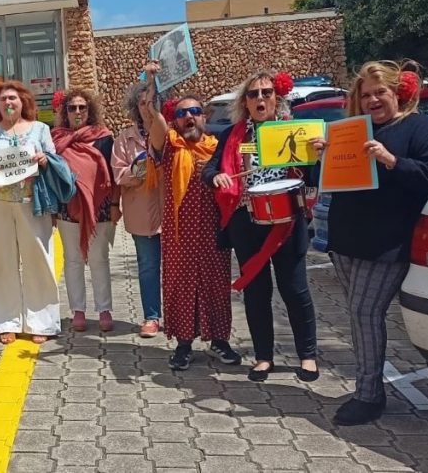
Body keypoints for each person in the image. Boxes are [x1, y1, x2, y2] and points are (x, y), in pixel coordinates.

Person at [312, 61, 428, 425]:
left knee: (363, 314)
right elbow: (323, 178)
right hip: (346, 239)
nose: (372, 100)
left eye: (379, 92)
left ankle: (369, 396)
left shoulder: (419, 128)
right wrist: (322, 155)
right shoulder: (353, 130)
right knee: (362, 316)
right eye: (365, 94)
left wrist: (392, 161)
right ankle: (369, 386)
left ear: (397, 92)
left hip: (385, 243)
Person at [204, 70, 318, 383]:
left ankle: (307, 356)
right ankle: (264, 357)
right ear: (245, 102)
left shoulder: (292, 130)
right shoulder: (233, 136)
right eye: (253, 94)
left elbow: (313, 177)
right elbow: (211, 168)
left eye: (266, 92)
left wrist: (316, 156)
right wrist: (216, 176)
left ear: (276, 98)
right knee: (256, 291)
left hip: (287, 220)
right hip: (246, 220)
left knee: (294, 289)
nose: (260, 99)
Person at [140, 63, 240, 370]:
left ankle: (220, 341)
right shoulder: (169, 145)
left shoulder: (217, 147)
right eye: (182, 113)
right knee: (181, 286)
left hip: (213, 231)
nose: (189, 117)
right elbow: (152, 115)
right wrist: (152, 82)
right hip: (179, 232)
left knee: (215, 286)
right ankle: (184, 344)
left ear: (204, 116)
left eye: (195, 111)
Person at [0, 80, 62, 344]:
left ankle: (42, 322)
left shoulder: (40, 129)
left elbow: (53, 161)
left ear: (24, 102)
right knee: (0, 261)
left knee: (39, 260)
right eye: (3, 99)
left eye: (13, 99)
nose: (8, 103)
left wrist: (43, 160)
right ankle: (3, 321)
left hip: (32, 202)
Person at [52, 89, 119, 333]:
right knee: (73, 260)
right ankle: (78, 311)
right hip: (67, 210)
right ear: (65, 112)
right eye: (72, 108)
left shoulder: (104, 138)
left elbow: (114, 176)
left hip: (99, 209)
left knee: (99, 260)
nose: (78, 112)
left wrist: (114, 205)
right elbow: (51, 177)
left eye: (82, 107)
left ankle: (104, 310)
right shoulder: (57, 140)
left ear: (90, 110)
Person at [112, 84, 163, 338]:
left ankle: (179, 317)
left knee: (178, 268)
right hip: (141, 214)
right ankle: (152, 317)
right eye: (142, 103)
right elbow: (118, 173)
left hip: (172, 213)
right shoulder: (125, 138)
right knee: (148, 266)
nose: (147, 108)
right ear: (135, 107)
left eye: (151, 102)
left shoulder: (170, 132)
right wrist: (141, 171)